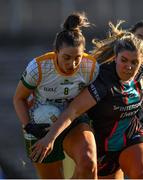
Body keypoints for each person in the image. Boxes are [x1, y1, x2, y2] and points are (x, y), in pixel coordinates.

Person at [30, 30, 143, 178]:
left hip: (130, 134)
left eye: (134, 62)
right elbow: (73, 111)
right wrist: (50, 138)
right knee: (88, 169)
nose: (128, 66)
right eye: (124, 60)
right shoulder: (103, 81)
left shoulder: (139, 68)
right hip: (101, 144)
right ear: (115, 58)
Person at [13, 12, 99, 179]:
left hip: (74, 120)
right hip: (40, 125)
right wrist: (28, 125)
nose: (72, 64)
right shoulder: (38, 67)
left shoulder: (91, 67)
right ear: (56, 52)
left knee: (88, 163)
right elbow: (18, 98)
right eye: (66, 57)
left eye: (77, 58)